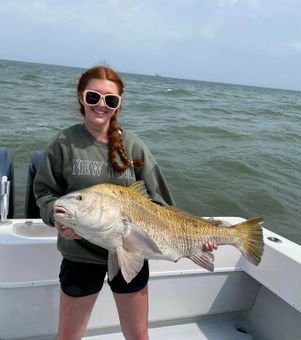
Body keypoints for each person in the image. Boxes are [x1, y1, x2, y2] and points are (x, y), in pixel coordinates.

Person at [34, 65, 217, 340]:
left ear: (118, 105)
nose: (101, 105)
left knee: (138, 336)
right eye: (93, 97)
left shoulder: (133, 147)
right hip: (79, 254)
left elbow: (161, 206)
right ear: (81, 97)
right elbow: (46, 193)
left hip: (132, 251)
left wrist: (196, 239)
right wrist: (56, 218)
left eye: (110, 100)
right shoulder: (63, 143)